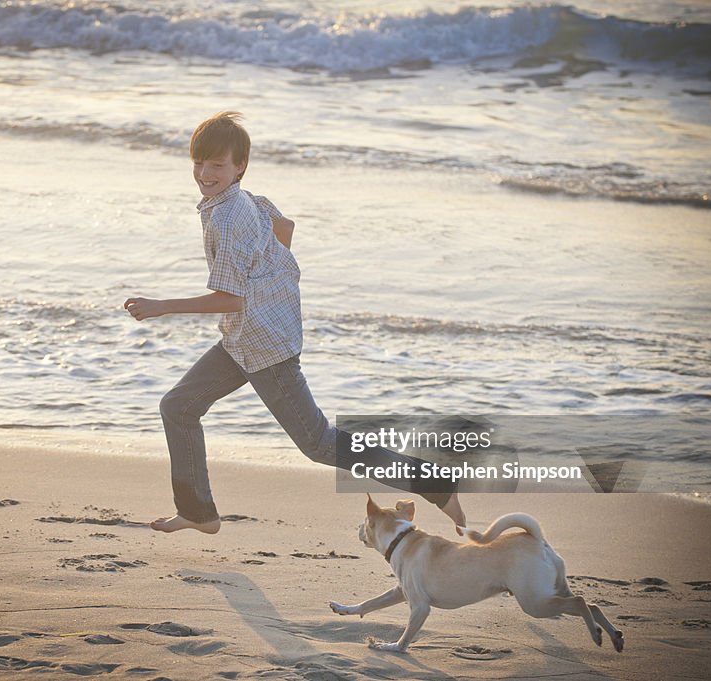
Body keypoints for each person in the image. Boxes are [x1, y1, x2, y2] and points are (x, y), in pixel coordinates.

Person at [124, 111, 466, 534]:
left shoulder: (228, 219)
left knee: (319, 443)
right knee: (178, 406)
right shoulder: (245, 201)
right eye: (199, 162)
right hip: (244, 338)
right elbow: (284, 230)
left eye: (217, 164)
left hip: (266, 347)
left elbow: (230, 297)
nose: (205, 173)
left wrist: (163, 306)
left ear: (239, 166)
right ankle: (199, 512)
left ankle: (435, 483)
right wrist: (268, 282)